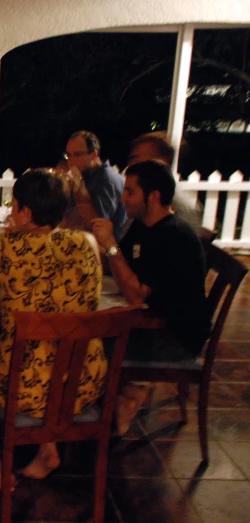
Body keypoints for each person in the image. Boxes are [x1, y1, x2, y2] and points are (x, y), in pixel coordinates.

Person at [0, 168, 106, 490]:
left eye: (14, 205)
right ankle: (48, 448)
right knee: (54, 355)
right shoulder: (87, 242)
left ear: (26, 212)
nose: (12, 211)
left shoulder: (3, 247)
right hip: (81, 382)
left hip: (24, 387)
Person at [90, 160, 211, 435]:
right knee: (90, 337)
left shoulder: (172, 236)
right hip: (151, 321)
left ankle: (95, 419)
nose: (123, 198)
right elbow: (123, 272)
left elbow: (133, 294)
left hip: (175, 339)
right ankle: (104, 410)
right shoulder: (144, 225)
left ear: (153, 196)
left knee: (89, 345)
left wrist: (110, 246)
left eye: (130, 192)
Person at [127, 131, 203, 231]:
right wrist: (108, 241)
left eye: (136, 158)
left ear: (161, 161)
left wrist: (109, 241)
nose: (130, 164)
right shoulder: (141, 214)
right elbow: (120, 247)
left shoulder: (179, 213)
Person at [64, 130, 127, 239]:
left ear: (94, 155)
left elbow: (95, 226)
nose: (71, 161)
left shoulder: (106, 180)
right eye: (68, 155)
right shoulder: (87, 176)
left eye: (77, 155)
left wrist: (78, 187)